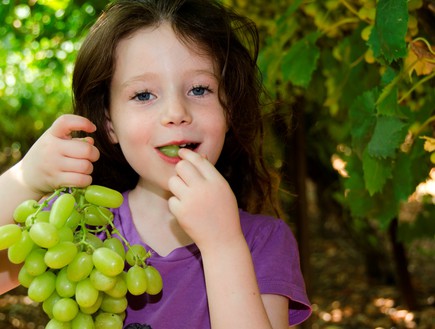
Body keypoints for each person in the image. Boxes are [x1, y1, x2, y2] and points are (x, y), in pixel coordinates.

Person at [0, 0, 312, 328]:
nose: (176, 112)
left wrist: (222, 244)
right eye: (144, 95)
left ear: (228, 111)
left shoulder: (263, 242)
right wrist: (25, 180)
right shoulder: (78, 226)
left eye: (199, 89)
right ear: (109, 123)